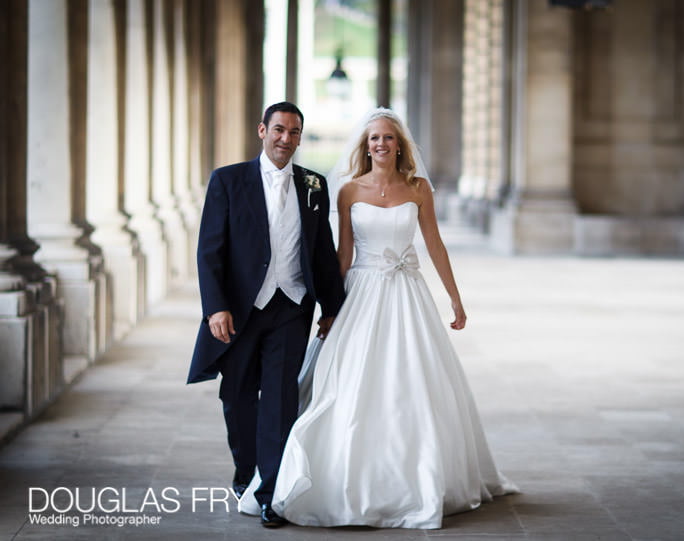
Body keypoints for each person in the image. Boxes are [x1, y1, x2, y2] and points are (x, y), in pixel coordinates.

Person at [238, 108, 516, 528]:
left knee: (412, 385)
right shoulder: (348, 191)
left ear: (399, 144)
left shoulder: (419, 188)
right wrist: (331, 309)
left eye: (387, 138)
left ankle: (416, 479)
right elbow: (343, 255)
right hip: (362, 293)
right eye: (373, 139)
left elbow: (435, 246)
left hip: (407, 293)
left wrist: (455, 299)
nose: (380, 144)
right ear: (365, 146)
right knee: (348, 384)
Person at [187, 102, 345, 529]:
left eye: (294, 133)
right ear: (262, 130)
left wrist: (332, 308)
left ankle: (270, 494)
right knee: (237, 396)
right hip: (240, 310)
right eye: (278, 130)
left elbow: (322, 253)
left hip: (292, 307)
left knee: (279, 400)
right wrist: (215, 307)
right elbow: (209, 251)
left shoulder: (315, 184)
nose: (285, 139)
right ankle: (246, 473)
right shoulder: (228, 180)